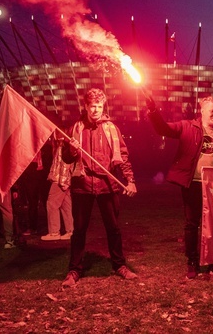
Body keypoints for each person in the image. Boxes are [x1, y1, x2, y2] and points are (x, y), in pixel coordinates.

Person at [146, 95, 213, 279]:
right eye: (212, 111)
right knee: (192, 224)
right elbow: (163, 128)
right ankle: (192, 262)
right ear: (202, 112)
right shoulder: (188, 127)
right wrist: (153, 111)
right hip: (193, 184)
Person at [61, 88, 138, 287]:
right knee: (79, 230)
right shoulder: (75, 128)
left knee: (113, 228)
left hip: (108, 184)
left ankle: (119, 266)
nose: (95, 110)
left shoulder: (112, 128)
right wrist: (71, 149)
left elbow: (123, 155)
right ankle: (74, 270)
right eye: (91, 106)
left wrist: (130, 180)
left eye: (98, 106)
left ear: (103, 107)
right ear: (85, 106)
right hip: (83, 184)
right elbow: (66, 158)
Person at [41, 130, 74, 241]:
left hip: (60, 180)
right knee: (66, 206)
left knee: (51, 204)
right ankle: (70, 231)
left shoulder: (62, 145)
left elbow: (65, 165)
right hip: (62, 180)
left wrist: (64, 182)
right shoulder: (64, 145)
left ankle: (54, 232)